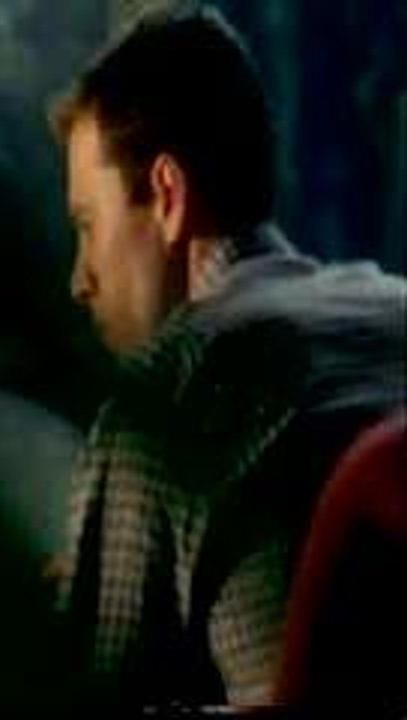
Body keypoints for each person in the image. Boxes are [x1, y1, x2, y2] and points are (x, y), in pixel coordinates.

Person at [44, 4, 406, 708]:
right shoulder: (394, 303)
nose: (78, 279)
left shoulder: (163, 402)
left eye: (88, 226)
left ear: (168, 196)